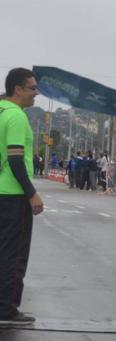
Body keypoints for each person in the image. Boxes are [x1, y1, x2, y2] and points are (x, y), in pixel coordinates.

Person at [0, 68, 43, 324]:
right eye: (32, 88)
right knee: (13, 254)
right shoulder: (16, 116)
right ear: (18, 89)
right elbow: (16, 160)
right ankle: (6, 309)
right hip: (14, 195)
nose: (36, 93)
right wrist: (32, 194)